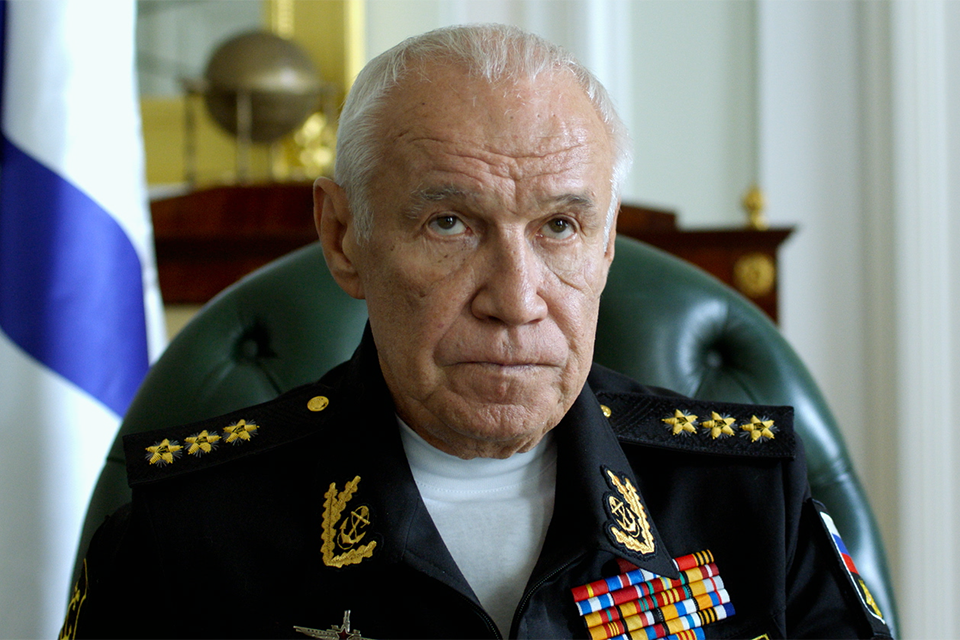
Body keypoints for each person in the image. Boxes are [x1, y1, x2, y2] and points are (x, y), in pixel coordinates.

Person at [61, 24, 893, 640]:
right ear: (344, 237)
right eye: (451, 223)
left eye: (560, 226)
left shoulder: (748, 500)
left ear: (606, 246)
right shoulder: (189, 532)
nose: (517, 299)